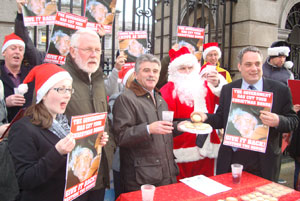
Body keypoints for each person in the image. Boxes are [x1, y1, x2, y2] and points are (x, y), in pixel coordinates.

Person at [194, 46, 299, 182]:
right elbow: (221, 119)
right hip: (232, 157)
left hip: (264, 160)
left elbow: (293, 121)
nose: (254, 69)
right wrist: (206, 117)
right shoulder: (228, 89)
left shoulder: (280, 90)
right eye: (248, 64)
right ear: (239, 66)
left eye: (257, 64)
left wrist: (278, 120)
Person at [14, 0, 123, 97]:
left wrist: (97, 36)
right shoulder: (44, 59)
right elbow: (27, 45)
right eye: (66, 40)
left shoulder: (80, 64)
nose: (69, 44)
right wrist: (20, 15)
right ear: (56, 41)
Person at [112, 54, 185, 193]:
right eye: (146, 70)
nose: (151, 75)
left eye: (155, 71)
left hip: (167, 174)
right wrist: (147, 129)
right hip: (142, 179)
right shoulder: (126, 99)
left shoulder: (159, 98)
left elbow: (162, 129)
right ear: (136, 74)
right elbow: (120, 136)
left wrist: (178, 127)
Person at [62, 28, 115, 201]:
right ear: (72, 51)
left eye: (97, 50)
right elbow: (43, 123)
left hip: (98, 169)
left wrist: (110, 144)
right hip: (71, 173)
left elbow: (105, 119)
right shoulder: (60, 78)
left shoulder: (99, 79)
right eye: (88, 49)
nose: (94, 54)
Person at [8, 63, 74, 200]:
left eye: (69, 89)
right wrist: (57, 152)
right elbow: (25, 179)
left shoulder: (65, 123)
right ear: (44, 94)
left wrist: (93, 141)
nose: (67, 95)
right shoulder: (23, 129)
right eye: (61, 89)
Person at [160, 47, 227, 180]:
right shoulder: (167, 90)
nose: (187, 72)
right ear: (174, 71)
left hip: (208, 145)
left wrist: (218, 83)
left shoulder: (206, 85)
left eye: (190, 68)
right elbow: (163, 120)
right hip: (182, 148)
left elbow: (225, 99)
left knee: (207, 186)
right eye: (182, 68)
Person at [0, 33, 35, 122]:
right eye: (13, 48)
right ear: (4, 52)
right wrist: (5, 103)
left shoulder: (31, 73)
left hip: (29, 126)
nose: (17, 52)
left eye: (21, 49)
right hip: (5, 128)